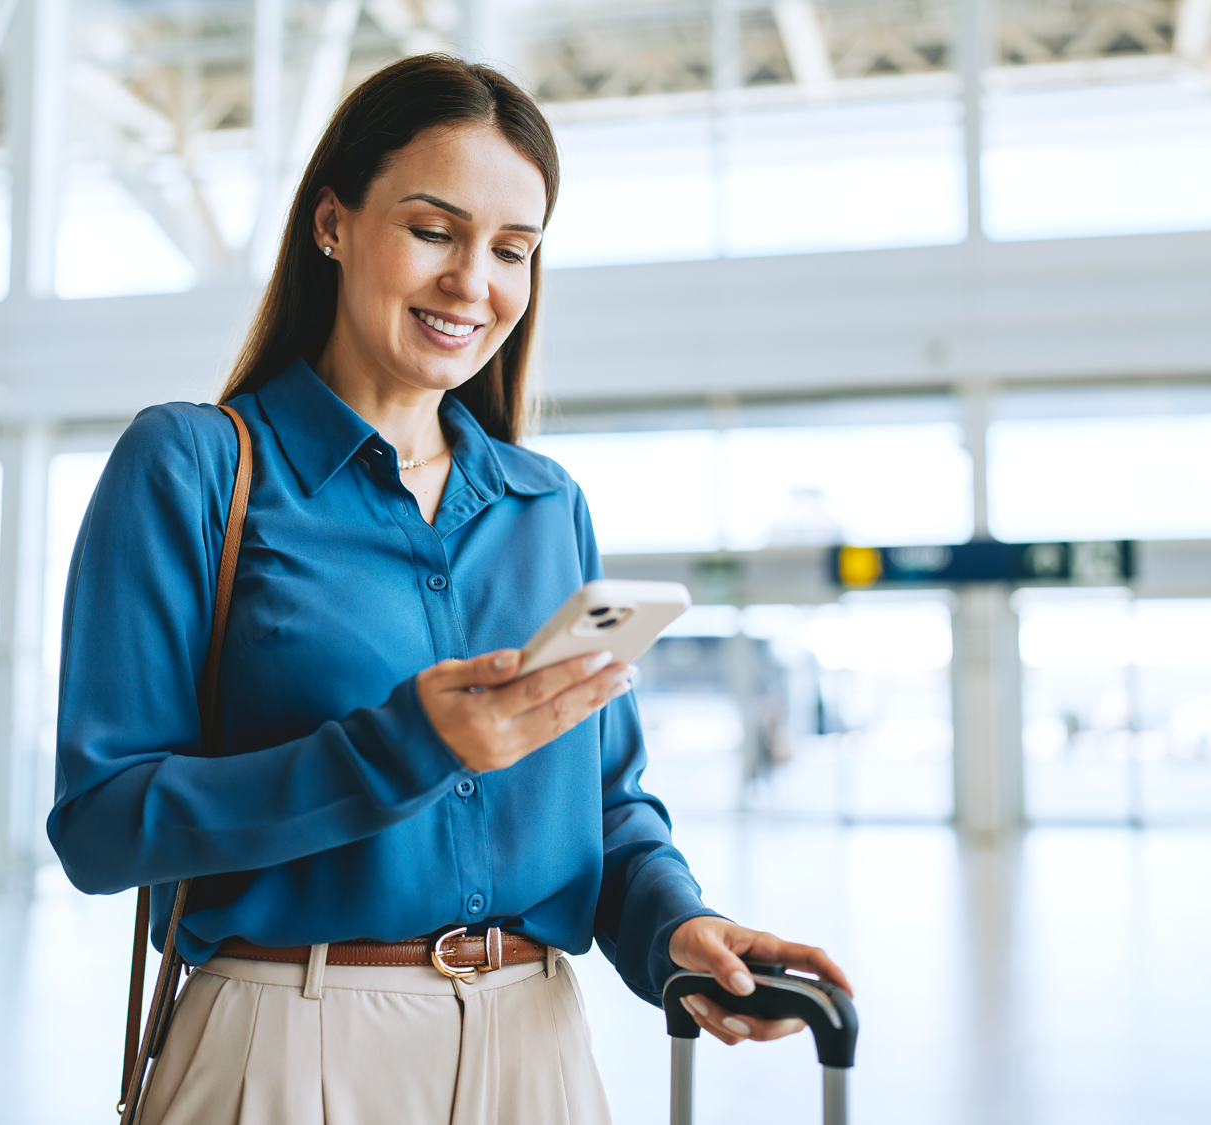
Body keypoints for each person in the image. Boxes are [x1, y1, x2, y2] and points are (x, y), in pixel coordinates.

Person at [49, 53, 851, 1125]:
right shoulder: (194, 467)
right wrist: (406, 748)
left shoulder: (544, 504)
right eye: (435, 230)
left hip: (536, 1046)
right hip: (288, 1043)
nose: (474, 282)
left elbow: (606, 809)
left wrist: (674, 930)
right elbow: (102, 828)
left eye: (512, 249)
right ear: (332, 224)